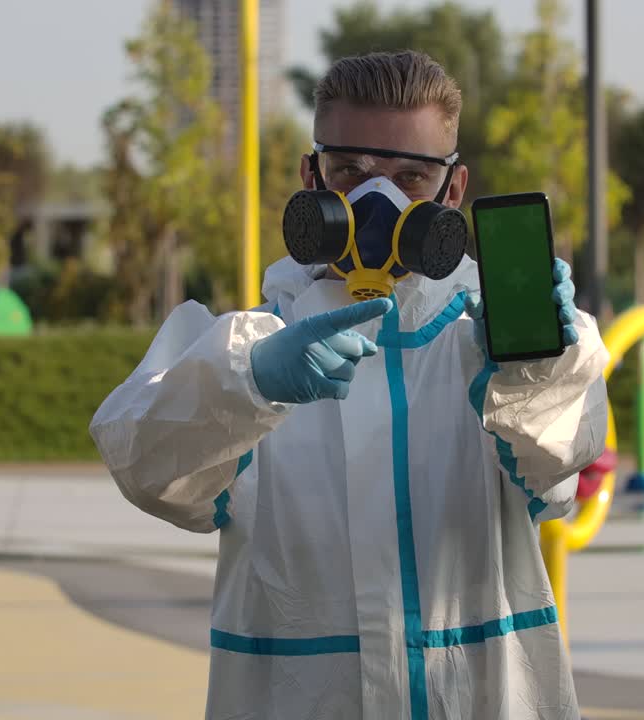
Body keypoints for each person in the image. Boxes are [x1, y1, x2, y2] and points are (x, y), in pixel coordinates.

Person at [89, 50, 608, 720]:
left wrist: (537, 369)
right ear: (312, 177)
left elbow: (558, 468)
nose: (377, 203)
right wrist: (250, 384)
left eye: (410, 178)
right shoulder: (247, 353)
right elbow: (142, 459)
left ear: (452, 191)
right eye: (351, 173)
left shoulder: (499, 348)